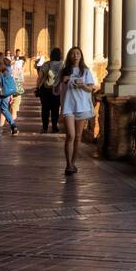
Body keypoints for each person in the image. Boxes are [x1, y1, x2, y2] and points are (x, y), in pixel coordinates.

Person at [54, 45, 96, 175]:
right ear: (69, 56)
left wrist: (82, 85)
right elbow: (55, 90)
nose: (75, 56)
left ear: (81, 56)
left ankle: (73, 162)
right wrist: (62, 81)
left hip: (82, 106)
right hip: (68, 107)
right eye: (73, 54)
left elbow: (91, 89)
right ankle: (68, 164)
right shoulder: (63, 71)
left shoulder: (86, 71)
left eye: (78, 53)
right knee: (70, 135)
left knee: (78, 137)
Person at [35, 47, 64, 134]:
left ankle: (45, 128)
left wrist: (37, 87)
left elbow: (40, 77)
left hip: (45, 90)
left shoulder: (46, 64)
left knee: (45, 109)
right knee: (55, 109)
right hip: (57, 90)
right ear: (60, 55)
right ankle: (54, 127)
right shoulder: (62, 65)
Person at [8, 49, 26, 123]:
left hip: (12, 91)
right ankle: (12, 125)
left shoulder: (21, 60)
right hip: (15, 91)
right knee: (13, 109)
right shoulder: (13, 60)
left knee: (12, 108)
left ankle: (12, 123)